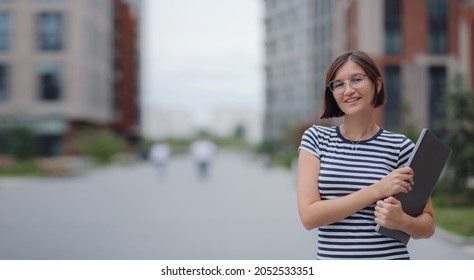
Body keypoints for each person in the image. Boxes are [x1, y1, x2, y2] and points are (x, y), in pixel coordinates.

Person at [297, 50, 435, 260]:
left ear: (377, 84)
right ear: (332, 93)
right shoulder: (316, 139)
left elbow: (428, 225)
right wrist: (378, 189)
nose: (348, 90)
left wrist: (403, 222)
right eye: (339, 84)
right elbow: (309, 217)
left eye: (357, 79)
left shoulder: (401, 146)